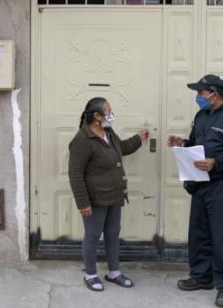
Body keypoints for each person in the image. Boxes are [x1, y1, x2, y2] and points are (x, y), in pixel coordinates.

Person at [167, 74, 223, 307]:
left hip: (222, 185)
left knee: (222, 237)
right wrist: (183, 143)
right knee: (199, 234)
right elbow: (197, 145)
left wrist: (217, 162)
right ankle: (202, 277)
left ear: (214, 93)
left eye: (200, 92)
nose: (197, 97)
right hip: (199, 184)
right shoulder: (201, 115)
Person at [68, 97, 149, 292]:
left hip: (115, 195)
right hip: (95, 199)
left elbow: (123, 148)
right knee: (93, 236)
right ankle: (91, 274)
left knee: (113, 234)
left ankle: (114, 272)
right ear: (97, 116)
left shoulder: (108, 132)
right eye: (108, 111)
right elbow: (75, 174)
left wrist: (139, 138)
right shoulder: (82, 140)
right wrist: (83, 203)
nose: (111, 115)